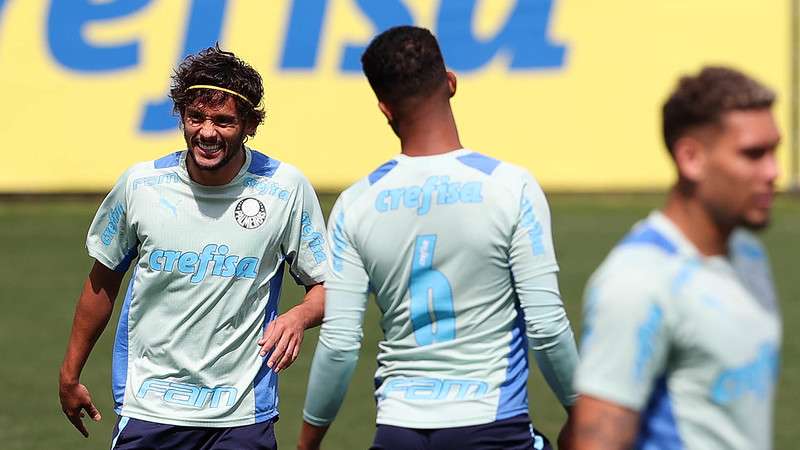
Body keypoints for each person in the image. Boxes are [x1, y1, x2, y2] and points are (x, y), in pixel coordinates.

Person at [296, 26, 579, 450]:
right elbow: (546, 326)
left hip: (397, 432)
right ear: (450, 81)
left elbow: (338, 346)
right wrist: (585, 415)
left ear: (384, 109)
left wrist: (307, 443)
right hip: (491, 424)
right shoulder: (509, 187)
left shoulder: (357, 203)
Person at [58, 46, 328, 450]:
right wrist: (70, 373)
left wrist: (300, 316)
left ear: (251, 124)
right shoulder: (140, 186)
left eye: (223, 121)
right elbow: (102, 283)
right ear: (181, 115)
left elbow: (329, 287)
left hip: (241, 416)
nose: (207, 132)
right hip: (149, 410)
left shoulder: (285, 189)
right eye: (195, 117)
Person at [570, 66, 782, 449]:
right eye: (753, 154)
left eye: (774, 151)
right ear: (691, 158)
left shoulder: (750, 254)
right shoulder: (640, 281)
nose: (773, 172)